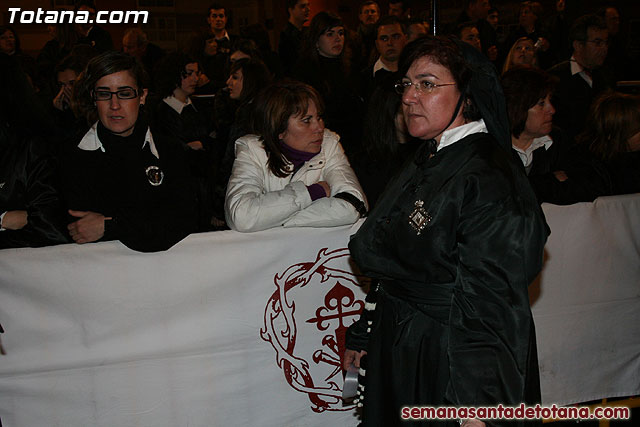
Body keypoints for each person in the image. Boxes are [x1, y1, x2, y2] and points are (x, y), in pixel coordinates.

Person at [344, 36, 548, 426]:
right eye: (406, 84)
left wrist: (480, 405)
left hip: (451, 356)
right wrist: (367, 331)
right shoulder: (430, 155)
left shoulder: (489, 175)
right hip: (406, 342)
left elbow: (494, 301)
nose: (409, 96)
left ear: (467, 95)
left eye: (427, 83)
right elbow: (395, 258)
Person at [62, 51, 197, 252]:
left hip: (161, 275)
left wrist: (110, 225)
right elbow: (74, 226)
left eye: (125, 94)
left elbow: (182, 221)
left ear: (142, 96)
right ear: (93, 98)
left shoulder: (171, 151)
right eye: (104, 94)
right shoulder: (71, 155)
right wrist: (141, 220)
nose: (114, 105)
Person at [225, 80, 367, 232]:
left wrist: (273, 220)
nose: (319, 127)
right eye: (306, 121)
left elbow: (355, 204)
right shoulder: (252, 149)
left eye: (318, 117)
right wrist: (312, 192)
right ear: (278, 129)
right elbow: (241, 216)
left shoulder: (329, 144)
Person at [153, 52, 218, 231]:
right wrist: (198, 146)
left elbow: (214, 139)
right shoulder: (161, 112)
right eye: (188, 73)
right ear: (175, 75)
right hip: (180, 189)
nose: (194, 78)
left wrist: (202, 144)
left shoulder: (197, 107)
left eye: (196, 73)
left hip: (204, 187)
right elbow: (174, 150)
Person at [295, 12, 364, 158]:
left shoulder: (351, 67)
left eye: (341, 33)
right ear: (316, 40)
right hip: (322, 143)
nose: (338, 39)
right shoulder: (305, 72)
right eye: (330, 34)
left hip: (354, 143)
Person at [547, 14, 610, 140]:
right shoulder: (555, 78)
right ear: (578, 45)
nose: (604, 48)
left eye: (606, 42)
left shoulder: (604, 76)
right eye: (598, 43)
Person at [278, 0, 311, 73]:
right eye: (302, 6)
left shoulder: (307, 31)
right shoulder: (286, 35)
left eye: (308, 5)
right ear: (290, 10)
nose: (308, 9)